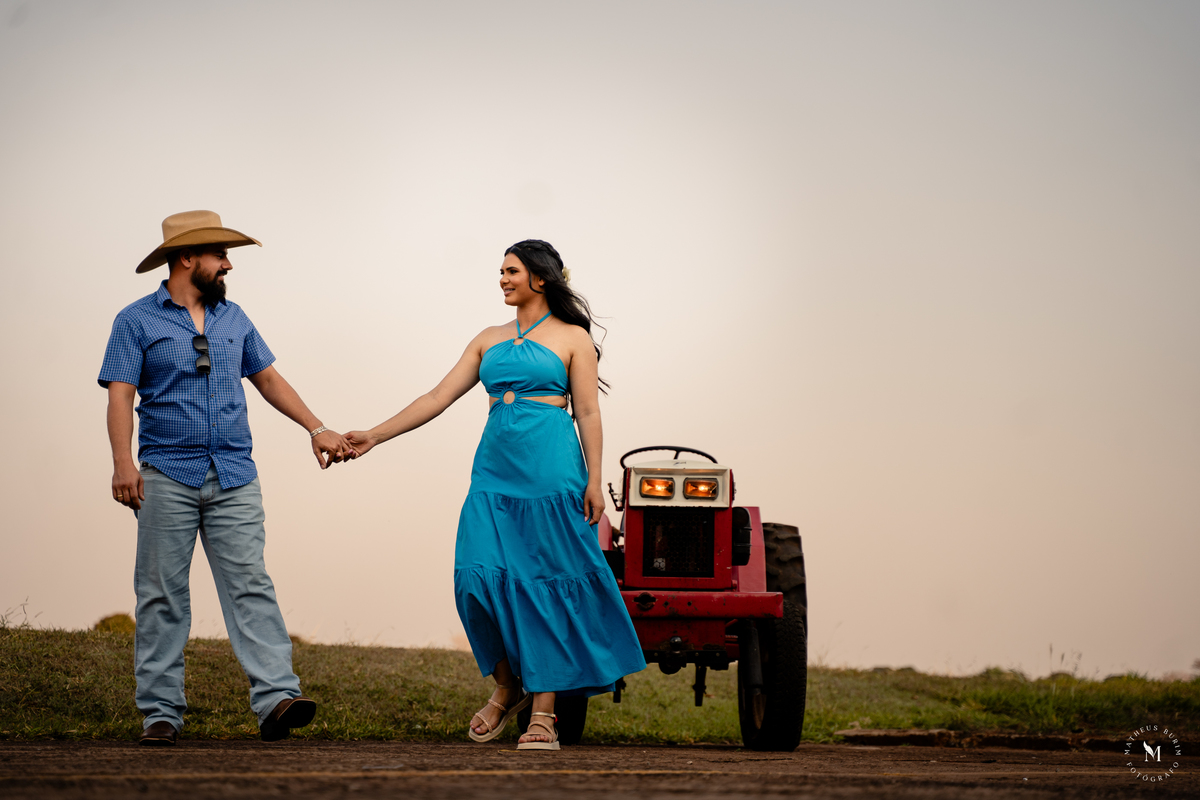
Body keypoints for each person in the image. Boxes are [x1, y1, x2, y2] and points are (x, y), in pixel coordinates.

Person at [344, 240, 645, 750]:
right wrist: (376, 434)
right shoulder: (488, 338)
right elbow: (438, 397)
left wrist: (594, 480)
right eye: (501, 271)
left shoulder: (573, 338)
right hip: (493, 476)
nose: (502, 279)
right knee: (474, 581)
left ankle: (544, 714)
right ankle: (508, 685)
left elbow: (589, 413)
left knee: (543, 586)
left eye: (511, 271)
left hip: (552, 474)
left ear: (541, 278)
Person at [99, 210, 355, 746]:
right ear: (188, 258)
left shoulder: (234, 317)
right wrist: (123, 462)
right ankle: (161, 713)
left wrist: (317, 427)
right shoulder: (135, 320)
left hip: (234, 474)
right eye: (221, 255)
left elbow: (266, 377)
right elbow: (121, 393)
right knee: (162, 594)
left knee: (250, 585)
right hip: (166, 473)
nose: (229, 265)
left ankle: (277, 700)